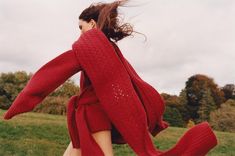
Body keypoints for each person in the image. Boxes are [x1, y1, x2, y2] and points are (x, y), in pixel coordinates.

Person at [3, 1, 218, 156]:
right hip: (88, 116)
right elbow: (134, 84)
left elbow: (50, 75)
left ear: (93, 25)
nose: (80, 34)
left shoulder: (89, 46)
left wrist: (19, 105)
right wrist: (153, 117)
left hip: (94, 115)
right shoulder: (111, 50)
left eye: (81, 27)